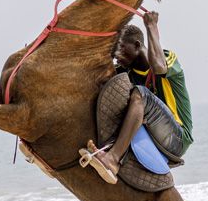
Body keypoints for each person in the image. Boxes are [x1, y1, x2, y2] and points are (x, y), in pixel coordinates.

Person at [80, 11, 193, 183]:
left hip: (177, 137)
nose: (116, 56)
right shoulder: (126, 72)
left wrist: (151, 26)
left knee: (140, 94)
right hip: (152, 134)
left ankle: (113, 158)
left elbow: (159, 68)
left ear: (137, 45)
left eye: (120, 50)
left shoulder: (168, 58)